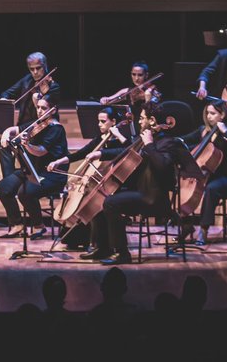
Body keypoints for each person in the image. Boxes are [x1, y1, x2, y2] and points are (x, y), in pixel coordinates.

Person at [81, 103, 204, 265]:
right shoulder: (147, 138)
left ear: (152, 121)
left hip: (154, 198)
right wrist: (101, 153)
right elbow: (125, 152)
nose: (139, 122)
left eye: (142, 118)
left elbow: (162, 165)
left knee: (111, 203)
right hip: (141, 191)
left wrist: (149, 145)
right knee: (101, 193)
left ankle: (122, 253)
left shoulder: (168, 142)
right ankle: (103, 248)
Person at [46, 105, 132, 249]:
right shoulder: (100, 139)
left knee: (90, 202)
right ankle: (80, 238)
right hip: (99, 183)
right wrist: (58, 161)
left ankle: (94, 241)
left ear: (114, 122)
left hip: (115, 184)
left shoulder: (121, 139)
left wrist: (113, 140)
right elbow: (81, 153)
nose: (99, 124)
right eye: (98, 121)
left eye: (103, 121)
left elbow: (129, 150)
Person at [0, 98, 67, 239]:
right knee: (4, 187)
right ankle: (17, 224)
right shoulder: (36, 124)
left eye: (44, 108)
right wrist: (5, 134)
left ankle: (38, 225)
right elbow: (14, 129)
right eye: (38, 107)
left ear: (53, 110)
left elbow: (40, 151)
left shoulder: (56, 129)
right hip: (32, 169)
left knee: (25, 192)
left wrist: (27, 145)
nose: (39, 111)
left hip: (52, 174)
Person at [176, 98, 227, 246]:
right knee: (178, 188)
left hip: (226, 177)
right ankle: (186, 226)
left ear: (222, 115)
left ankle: (204, 230)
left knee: (211, 189)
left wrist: (225, 131)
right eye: (208, 113)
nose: (209, 116)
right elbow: (184, 140)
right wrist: (170, 139)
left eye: (213, 113)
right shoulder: (203, 130)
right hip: (206, 175)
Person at [0, 52, 59, 177]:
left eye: (38, 68)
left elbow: (45, 111)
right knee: (2, 143)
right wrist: (4, 100)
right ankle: (8, 180)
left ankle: (15, 180)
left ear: (45, 66)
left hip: (41, 128)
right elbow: (7, 93)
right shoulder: (27, 80)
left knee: (14, 142)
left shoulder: (54, 86)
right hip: (24, 126)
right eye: (32, 69)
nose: (35, 72)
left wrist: (38, 97)